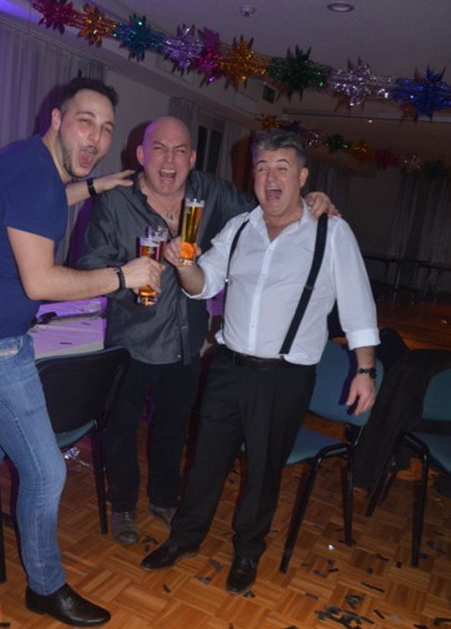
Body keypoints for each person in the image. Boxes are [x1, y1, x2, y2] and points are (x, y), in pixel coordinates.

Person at [0, 78, 162, 627]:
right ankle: (46, 586)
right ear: (56, 120)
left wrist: (96, 186)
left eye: (106, 128)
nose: (96, 137)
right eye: (85, 121)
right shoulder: (34, 175)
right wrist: (123, 276)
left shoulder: (28, 166)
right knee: (46, 472)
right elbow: (41, 282)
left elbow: (46, 202)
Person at [77, 116, 335, 545]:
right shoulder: (115, 203)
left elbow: (269, 206)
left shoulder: (212, 193)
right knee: (120, 429)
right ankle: (122, 504)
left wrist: (311, 200)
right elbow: (88, 265)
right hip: (131, 341)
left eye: (180, 150)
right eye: (159, 149)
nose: (169, 160)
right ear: (141, 154)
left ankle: (164, 498)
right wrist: (126, 277)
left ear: (192, 158)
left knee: (173, 427)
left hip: (186, 340)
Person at [141, 129, 379, 594]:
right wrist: (182, 263)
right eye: (262, 168)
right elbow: (203, 284)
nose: (271, 178)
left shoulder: (331, 233)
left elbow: (358, 307)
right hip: (228, 367)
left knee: (264, 470)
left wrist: (365, 370)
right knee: (205, 460)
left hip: (283, 377)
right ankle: (185, 536)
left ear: (303, 177)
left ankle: (248, 550)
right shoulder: (240, 228)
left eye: (282, 168)